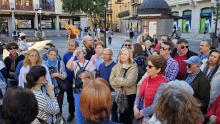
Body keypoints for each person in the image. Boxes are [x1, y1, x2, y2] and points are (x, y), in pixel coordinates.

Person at [134, 55, 167, 123]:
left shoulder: (162, 84)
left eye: (150, 66)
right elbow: (139, 95)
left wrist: (141, 113)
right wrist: (135, 107)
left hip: (149, 118)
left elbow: (156, 105)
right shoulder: (146, 79)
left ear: (158, 69)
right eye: (147, 65)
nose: (146, 68)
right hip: (139, 115)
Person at [66, 47, 96, 124]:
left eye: (80, 52)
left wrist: (87, 74)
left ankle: (87, 121)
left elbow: (94, 75)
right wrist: (73, 55)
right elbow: (68, 66)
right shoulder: (75, 63)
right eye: (77, 52)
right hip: (77, 89)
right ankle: (79, 122)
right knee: (78, 107)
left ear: (84, 54)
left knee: (88, 106)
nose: (78, 54)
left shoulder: (89, 63)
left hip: (87, 88)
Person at [110, 48, 138, 123]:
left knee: (126, 116)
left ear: (129, 56)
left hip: (129, 95)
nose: (122, 56)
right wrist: (123, 80)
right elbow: (111, 81)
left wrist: (117, 79)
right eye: (121, 54)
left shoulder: (133, 67)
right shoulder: (116, 67)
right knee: (119, 115)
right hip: (117, 94)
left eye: (125, 54)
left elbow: (129, 82)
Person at [44, 48, 67, 113]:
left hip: (58, 88)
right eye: (51, 54)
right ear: (48, 55)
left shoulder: (60, 63)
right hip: (47, 88)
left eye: (54, 55)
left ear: (57, 56)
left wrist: (57, 74)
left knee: (59, 106)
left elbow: (64, 75)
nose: (53, 56)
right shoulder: (44, 64)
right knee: (49, 107)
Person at [62, 39, 78, 122]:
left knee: (80, 98)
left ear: (76, 47)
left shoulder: (79, 55)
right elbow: (63, 67)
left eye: (72, 45)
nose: (70, 47)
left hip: (79, 80)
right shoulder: (65, 55)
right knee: (70, 98)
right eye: (69, 45)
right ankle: (71, 113)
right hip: (69, 80)